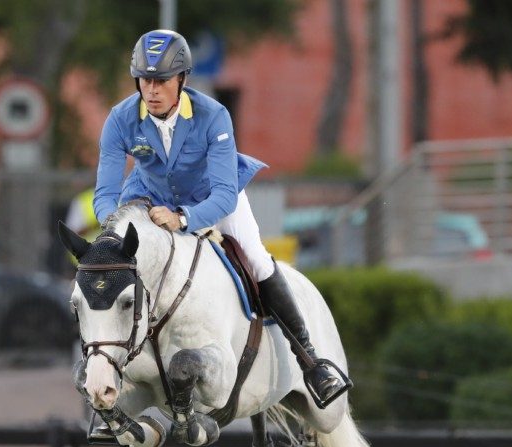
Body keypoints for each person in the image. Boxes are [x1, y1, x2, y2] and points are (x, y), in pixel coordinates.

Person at [94, 29, 350, 407]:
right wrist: (113, 232)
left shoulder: (213, 115)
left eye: (161, 80)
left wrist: (183, 220)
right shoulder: (120, 119)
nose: (151, 90)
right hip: (149, 199)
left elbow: (225, 194)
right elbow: (105, 195)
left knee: (257, 258)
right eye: (145, 80)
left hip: (213, 197)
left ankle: (311, 361)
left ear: (182, 79)